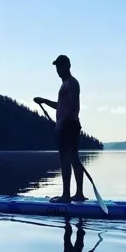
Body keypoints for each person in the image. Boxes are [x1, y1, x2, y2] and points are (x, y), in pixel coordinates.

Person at [34, 55, 87, 203]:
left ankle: (67, 195)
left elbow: (71, 106)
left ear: (68, 66)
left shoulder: (71, 83)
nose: (58, 70)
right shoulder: (65, 84)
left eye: (60, 66)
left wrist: (61, 124)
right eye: (57, 67)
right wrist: (44, 101)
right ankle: (77, 194)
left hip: (68, 126)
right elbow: (61, 106)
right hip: (69, 125)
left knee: (66, 159)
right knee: (73, 159)